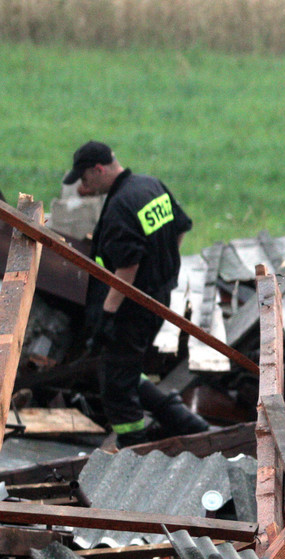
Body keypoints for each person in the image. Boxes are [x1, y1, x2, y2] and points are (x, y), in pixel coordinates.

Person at [64, 141, 207, 446]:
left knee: (117, 388)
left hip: (131, 310)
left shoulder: (120, 207)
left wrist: (107, 316)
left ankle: (135, 452)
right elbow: (181, 228)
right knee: (123, 367)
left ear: (99, 169)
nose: (85, 186)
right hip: (158, 298)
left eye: (86, 179)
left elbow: (127, 269)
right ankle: (186, 422)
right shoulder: (149, 186)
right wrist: (161, 263)